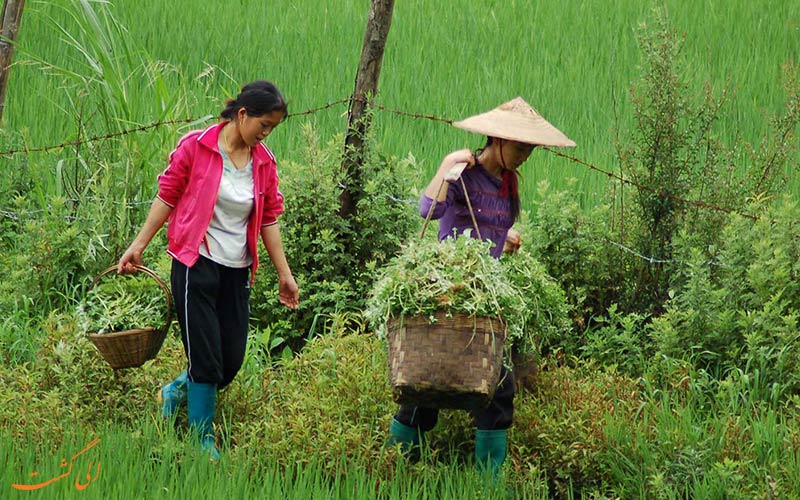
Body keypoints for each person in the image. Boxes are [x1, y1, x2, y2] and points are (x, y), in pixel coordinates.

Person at [387, 97, 575, 476]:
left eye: (530, 149)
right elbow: (429, 211)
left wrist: (504, 239)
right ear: (497, 139)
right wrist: (447, 164)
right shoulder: (464, 175)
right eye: (520, 147)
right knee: (428, 380)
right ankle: (397, 468)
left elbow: (489, 229)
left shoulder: (507, 184)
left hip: (486, 295)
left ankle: (488, 482)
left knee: (498, 385)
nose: (525, 156)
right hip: (449, 292)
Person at [117, 80, 299, 460]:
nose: (266, 134)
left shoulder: (263, 163)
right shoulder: (197, 147)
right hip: (194, 262)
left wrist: (285, 273)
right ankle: (203, 440)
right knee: (204, 357)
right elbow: (167, 195)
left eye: (272, 129)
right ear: (242, 114)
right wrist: (138, 246)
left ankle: (174, 392)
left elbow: (269, 218)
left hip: (237, 270)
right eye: (263, 125)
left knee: (230, 360)